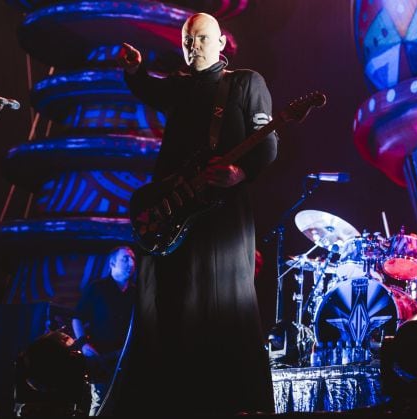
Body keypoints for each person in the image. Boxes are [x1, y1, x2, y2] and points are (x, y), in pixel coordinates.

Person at [110, 12, 278, 416]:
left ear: (220, 43)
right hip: (171, 216)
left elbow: (267, 144)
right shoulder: (180, 88)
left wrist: (240, 172)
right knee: (166, 303)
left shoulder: (244, 83)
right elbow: (152, 92)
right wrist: (135, 73)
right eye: (187, 40)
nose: (193, 47)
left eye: (201, 38)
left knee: (219, 304)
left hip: (220, 218)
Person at [71, 246, 136, 416]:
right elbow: (77, 318)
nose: (131, 263)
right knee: (100, 401)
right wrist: (83, 344)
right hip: (101, 357)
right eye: (125, 258)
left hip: (127, 358)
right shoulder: (97, 288)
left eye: (133, 259)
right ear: (112, 263)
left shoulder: (137, 292)